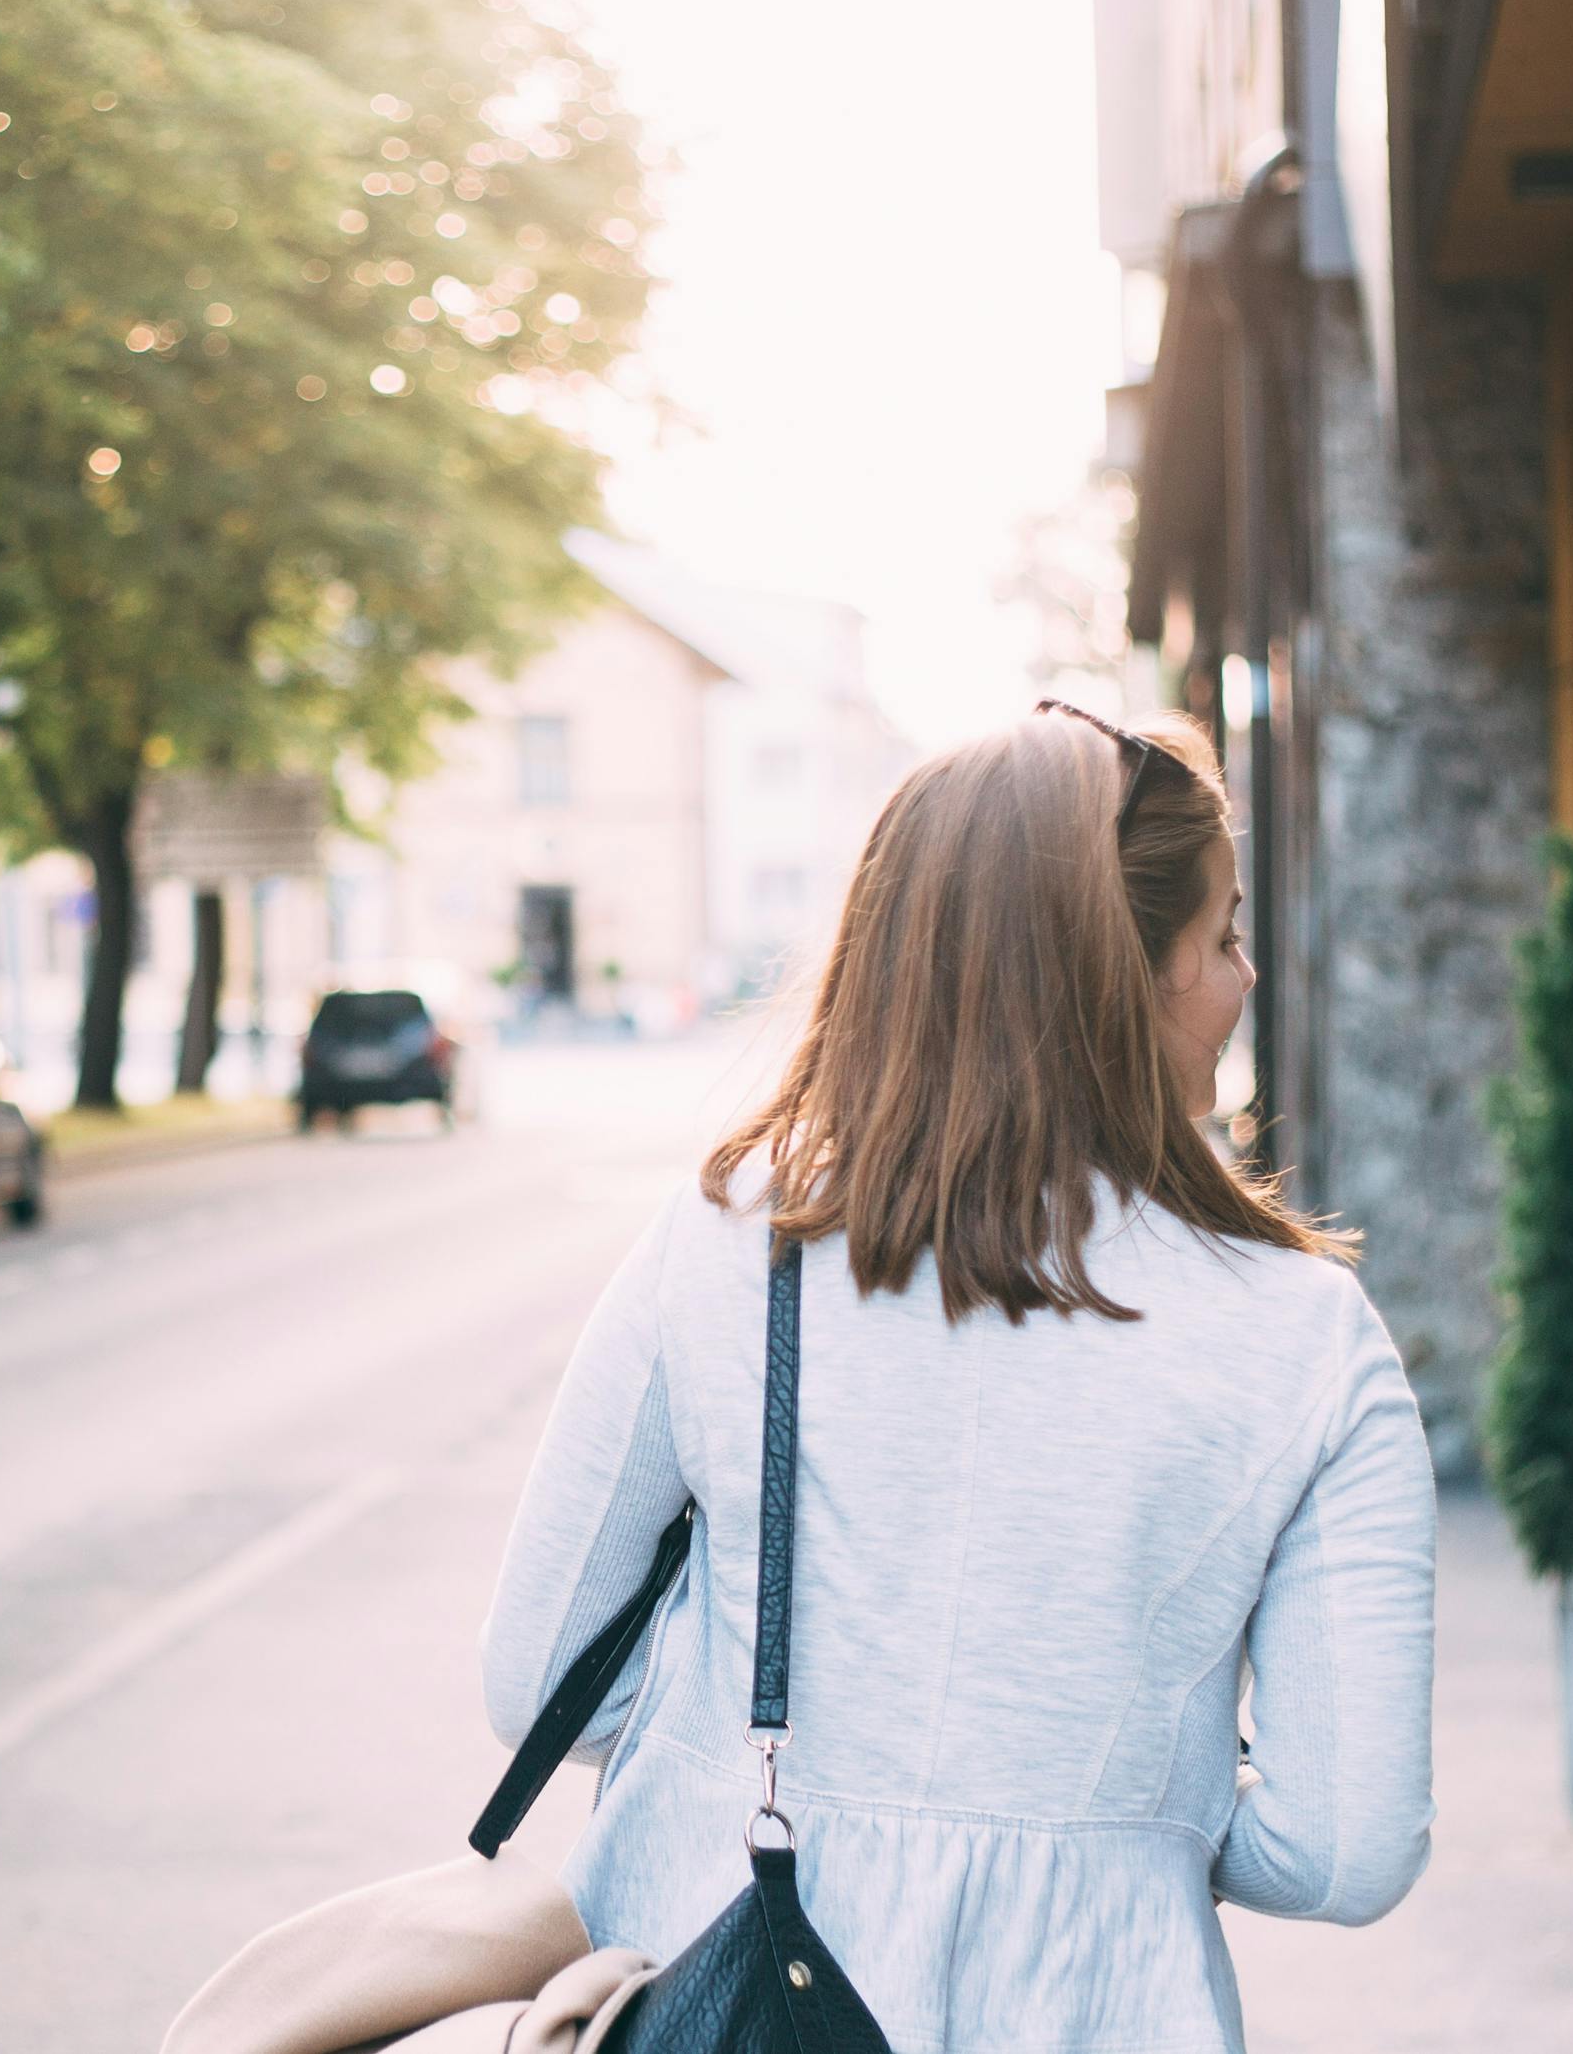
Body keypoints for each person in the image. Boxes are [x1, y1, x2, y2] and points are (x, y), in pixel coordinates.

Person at [481, 703, 1436, 2054]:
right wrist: (1112, 1800)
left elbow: (541, 1681)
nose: (1244, 976)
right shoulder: (1305, 1337)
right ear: (1119, 976)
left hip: (718, 1971)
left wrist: (758, 1758)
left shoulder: (731, 1242)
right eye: (1220, 935)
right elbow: (1343, 1845)